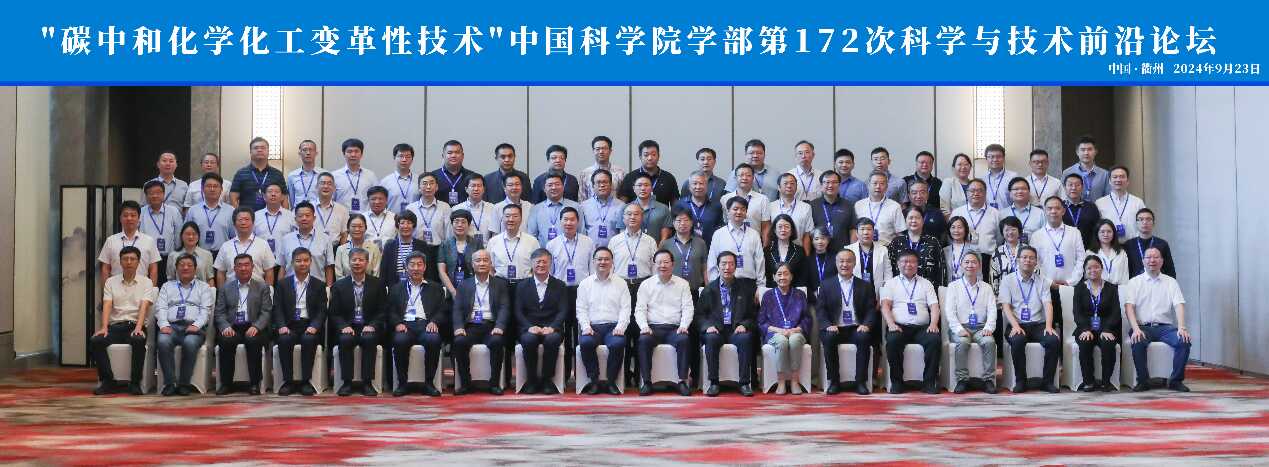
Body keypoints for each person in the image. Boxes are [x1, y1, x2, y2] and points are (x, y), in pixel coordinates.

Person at [1123, 247, 1192, 392]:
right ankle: (1143, 381)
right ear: (1143, 261)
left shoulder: (1171, 282)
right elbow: (1129, 308)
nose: (1152, 260)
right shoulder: (1134, 282)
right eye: (1148, 257)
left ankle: (1175, 381)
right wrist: (1135, 329)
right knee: (1138, 340)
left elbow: (1179, 305)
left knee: (1183, 340)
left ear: (1162, 261)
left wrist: (1182, 327)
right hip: (1143, 327)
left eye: (1156, 257)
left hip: (1165, 328)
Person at [90, 246, 155, 395]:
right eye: (125, 259)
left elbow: (144, 306)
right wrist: (104, 327)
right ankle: (108, 381)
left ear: (138, 262)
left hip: (135, 325)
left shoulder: (146, 282)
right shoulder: (110, 282)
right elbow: (107, 305)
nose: (129, 262)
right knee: (96, 341)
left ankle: (135, 382)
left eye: (132, 259)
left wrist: (138, 327)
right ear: (120, 262)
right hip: (115, 326)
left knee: (138, 340)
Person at [999, 246, 1060, 393]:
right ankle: (1021, 381)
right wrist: (1015, 326)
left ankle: (1047, 382)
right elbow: (1005, 306)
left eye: (1031, 258)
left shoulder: (1042, 281)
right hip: (1017, 324)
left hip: (1038, 325)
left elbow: (1048, 304)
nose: (1028, 260)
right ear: (1018, 260)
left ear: (1036, 262)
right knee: (1018, 340)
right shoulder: (1008, 280)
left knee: (1053, 340)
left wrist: (1049, 326)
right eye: (1024, 257)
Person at [880, 251, 942, 394]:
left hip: (922, 328)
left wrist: (933, 324)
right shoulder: (891, 283)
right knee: (893, 341)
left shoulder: (926, 283)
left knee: (934, 340)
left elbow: (934, 306)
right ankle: (897, 382)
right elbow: (885, 306)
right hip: (899, 326)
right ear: (898, 264)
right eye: (905, 261)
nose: (908, 264)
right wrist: (891, 324)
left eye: (912, 261)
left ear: (917, 264)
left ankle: (929, 382)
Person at [634, 249, 695, 396]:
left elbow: (688, 308)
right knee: (643, 340)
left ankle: (682, 381)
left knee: (684, 339)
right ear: (654, 264)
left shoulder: (682, 284)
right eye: (659, 262)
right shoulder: (646, 285)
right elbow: (640, 310)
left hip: (675, 329)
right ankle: (647, 382)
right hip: (652, 328)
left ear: (673, 264)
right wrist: (644, 326)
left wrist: (684, 326)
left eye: (666, 262)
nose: (662, 265)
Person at [451, 249, 511, 395]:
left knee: (497, 341)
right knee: (459, 342)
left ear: (491, 263)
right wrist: (458, 327)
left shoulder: (500, 284)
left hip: (491, 326)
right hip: (471, 326)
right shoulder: (464, 285)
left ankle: (494, 383)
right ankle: (465, 384)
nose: (482, 263)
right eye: (478, 260)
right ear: (472, 264)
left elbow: (504, 307)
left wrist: (500, 326)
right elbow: (457, 309)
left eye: (485, 260)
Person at [817, 249, 877, 395]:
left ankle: (860, 382)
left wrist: (866, 324)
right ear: (836, 263)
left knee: (864, 338)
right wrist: (828, 325)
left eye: (848, 261)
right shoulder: (826, 285)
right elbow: (821, 310)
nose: (845, 264)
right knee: (828, 338)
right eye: (841, 261)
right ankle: (834, 381)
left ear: (854, 263)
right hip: (834, 328)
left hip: (856, 327)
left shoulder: (865, 285)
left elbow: (871, 309)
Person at [329, 247, 387, 396]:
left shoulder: (378, 284)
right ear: (348, 262)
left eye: (361, 260)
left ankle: (367, 383)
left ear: (367, 263)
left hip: (368, 326)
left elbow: (382, 311)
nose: (357, 263)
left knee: (369, 339)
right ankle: (347, 383)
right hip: (348, 326)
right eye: (354, 260)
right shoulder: (339, 286)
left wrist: (372, 325)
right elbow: (334, 313)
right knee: (345, 339)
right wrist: (343, 326)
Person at [699, 251, 757, 397]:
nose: (727, 267)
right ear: (718, 266)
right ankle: (714, 383)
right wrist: (708, 326)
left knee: (745, 338)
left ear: (736, 267)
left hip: (736, 329)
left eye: (731, 264)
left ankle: (744, 383)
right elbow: (699, 316)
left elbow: (753, 315)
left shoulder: (745, 288)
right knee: (711, 339)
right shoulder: (709, 289)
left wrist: (744, 325)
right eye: (724, 264)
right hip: (716, 330)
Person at [388, 251, 446, 397]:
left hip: (426, 324)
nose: (416, 268)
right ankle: (402, 383)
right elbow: (390, 311)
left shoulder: (436, 288)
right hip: (405, 325)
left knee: (433, 339)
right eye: (412, 265)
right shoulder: (397, 288)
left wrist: (434, 322)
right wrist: (397, 323)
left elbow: (442, 310)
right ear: (406, 267)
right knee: (399, 340)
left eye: (419, 264)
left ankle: (429, 383)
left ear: (424, 267)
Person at [154, 253, 213, 396]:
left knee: (190, 343)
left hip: (194, 327)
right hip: (171, 327)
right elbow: (161, 308)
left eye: (189, 265)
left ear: (195, 268)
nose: (185, 268)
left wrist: (197, 325)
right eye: (181, 265)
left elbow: (206, 310)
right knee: (162, 342)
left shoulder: (204, 287)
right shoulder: (167, 286)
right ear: (176, 268)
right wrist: (164, 325)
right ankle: (170, 383)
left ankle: (184, 384)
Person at [271, 247, 327, 397]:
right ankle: (288, 381)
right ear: (292, 263)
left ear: (311, 262)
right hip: (289, 325)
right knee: (284, 340)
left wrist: (315, 326)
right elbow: (277, 308)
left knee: (309, 340)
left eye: (306, 260)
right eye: (298, 261)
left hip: (309, 325)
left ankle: (305, 382)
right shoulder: (282, 284)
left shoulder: (319, 284)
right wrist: (282, 326)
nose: (302, 264)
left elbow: (322, 310)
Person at [214, 254, 272, 395]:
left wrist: (256, 326)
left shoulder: (262, 287)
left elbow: (266, 311)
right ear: (234, 268)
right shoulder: (225, 288)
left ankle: (254, 383)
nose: (243, 268)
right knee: (226, 340)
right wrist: (225, 327)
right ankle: (226, 384)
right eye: (239, 265)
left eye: (247, 265)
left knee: (253, 340)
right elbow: (219, 312)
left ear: (252, 267)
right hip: (232, 326)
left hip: (254, 326)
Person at [576, 247, 631, 395]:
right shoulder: (585, 284)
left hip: (613, 327)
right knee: (586, 343)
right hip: (592, 327)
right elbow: (581, 309)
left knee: (618, 343)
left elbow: (626, 308)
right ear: (593, 261)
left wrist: (621, 327)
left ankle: (611, 381)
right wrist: (586, 327)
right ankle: (594, 380)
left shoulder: (621, 283)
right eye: (599, 259)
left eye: (607, 259)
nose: (603, 262)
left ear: (612, 262)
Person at [547, 206, 595, 376]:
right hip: (560, 292)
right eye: (565, 219)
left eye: (572, 219)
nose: (569, 223)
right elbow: (550, 273)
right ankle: (566, 373)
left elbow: (592, 271)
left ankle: (582, 374)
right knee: (564, 333)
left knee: (582, 331)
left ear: (578, 222)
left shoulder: (588, 242)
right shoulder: (552, 244)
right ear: (560, 222)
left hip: (582, 292)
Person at [515, 249, 569, 394]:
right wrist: (528, 327)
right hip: (529, 328)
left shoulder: (560, 285)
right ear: (532, 264)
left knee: (552, 340)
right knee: (529, 340)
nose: (541, 265)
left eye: (544, 262)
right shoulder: (522, 286)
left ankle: (547, 380)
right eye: (538, 262)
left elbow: (563, 311)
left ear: (550, 264)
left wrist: (553, 327)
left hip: (552, 328)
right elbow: (518, 311)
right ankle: (531, 380)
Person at [942, 253, 998, 394]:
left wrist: (989, 327)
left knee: (989, 342)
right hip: (960, 326)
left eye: (973, 262)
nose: (970, 265)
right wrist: (958, 329)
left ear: (979, 265)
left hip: (981, 327)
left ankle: (988, 380)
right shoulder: (953, 286)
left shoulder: (987, 287)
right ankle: (962, 380)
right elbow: (950, 311)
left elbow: (992, 310)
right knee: (962, 343)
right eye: (966, 262)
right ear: (961, 265)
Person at [1073, 255, 1122, 392]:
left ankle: (1106, 382)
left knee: (1108, 343)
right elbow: (1077, 312)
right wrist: (1085, 328)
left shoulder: (1111, 288)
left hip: (1107, 327)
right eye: (1089, 268)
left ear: (1101, 269)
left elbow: (1115, 312)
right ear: (1085, 270)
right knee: (1085, 342)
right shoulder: (1079, 288)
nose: (1093, 270)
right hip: (1085, 327)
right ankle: (1088, 381)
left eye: (1096, 267)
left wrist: (1107, 329)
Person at [1035, 197, 1087, 318]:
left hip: (1070, 287)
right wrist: (1049, 282)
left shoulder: (1075, 232)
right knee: (1049, 322)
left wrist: (1070, 282)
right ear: (1044, 211)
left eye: (1057, 208)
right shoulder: (1037, 236)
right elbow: (1035, 264)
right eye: (1050, 208)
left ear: (1063, 211)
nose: (1053, 211)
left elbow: (1081, 259)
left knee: (1070, 322)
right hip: (1046, 288)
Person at [98, 200, 161, 284]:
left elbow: (153, 269)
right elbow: (105, 268)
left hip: (142, 288)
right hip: (116, 288)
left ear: (139, 218)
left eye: (133, 215)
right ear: (120, 218)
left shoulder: (149, 241)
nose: (129, 218)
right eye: (125, 215)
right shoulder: (111, 241)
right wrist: (106, 290)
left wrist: (151, 290)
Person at [707, 196, 766, 284]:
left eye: (742, 209)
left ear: (746, 212)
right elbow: (712, 262)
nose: (739, 212)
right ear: (728, 211)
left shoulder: (754, 234)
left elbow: (759, 261)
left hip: (749, 283)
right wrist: (714, 284)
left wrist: (761, 285)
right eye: (735, 209)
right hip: (725, 283)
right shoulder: (718, 234)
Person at [213, 207, 277, 286]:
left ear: (253, 223)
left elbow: (269, 271)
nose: (243, 223)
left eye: (247, 219)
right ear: (234, 224)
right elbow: (221, 272)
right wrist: (222, 292)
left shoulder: (263, 244)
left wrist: (268, 292)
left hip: (257, 291)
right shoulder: (225, 246)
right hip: (232, 291)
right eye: (240, 220)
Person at [277, 202, 335, 285]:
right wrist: (279, 288)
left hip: (317, 287)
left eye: (307, 215)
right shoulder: (286, 239)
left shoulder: (325, 239)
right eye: (300, 216)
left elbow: (328, 267)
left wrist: (329, 288)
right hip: (291, 287)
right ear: (295, 219)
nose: (304, 218)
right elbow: (282, 267)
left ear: (314, 218)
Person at [403, 174, 451, 269]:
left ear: (436, 187)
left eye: (431, 183)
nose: (428, 187)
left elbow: (448, 233)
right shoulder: (411, 208)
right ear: (419, 188)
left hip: (438, 251)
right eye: (424, 183)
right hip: (416, 250)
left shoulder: (445, 207)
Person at [489, 204, 540, 293]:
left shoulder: (532, 241)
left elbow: (537, 266)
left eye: (515, 216)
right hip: (500, 285)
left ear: (521, 219)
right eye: (507, 216)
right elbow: (490, 267)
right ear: (502, 219)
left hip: (525, 285)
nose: (511, 219)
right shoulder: (493, 241)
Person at [889, 206, 945, 286]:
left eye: (917, 218)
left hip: (927, 289)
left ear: (923, 220)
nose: (914, 221)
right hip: (900, 288)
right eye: (910, 218)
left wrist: (940, 288)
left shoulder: (933, 242)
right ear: (905, 221)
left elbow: (941, 269)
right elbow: (890, 269)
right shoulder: (897, 242)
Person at [230, 137, 288, 212]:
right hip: (248, 217)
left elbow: (284, 199)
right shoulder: (240, 173)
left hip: (272, 217)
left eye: (263, 148)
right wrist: (240, 215)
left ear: (268, 151)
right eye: (256, 148)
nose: (259, 150)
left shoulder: (277, 174)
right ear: (250, 152)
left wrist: (284, 216)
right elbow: (233, 198)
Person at [140, 180, 182, 283]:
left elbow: (179, 235)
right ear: (146, 196)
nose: (155, 196)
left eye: (158, 192)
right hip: (148, 260)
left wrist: (177, 254)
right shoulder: (141, 212)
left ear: (163, 194)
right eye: (151, 193)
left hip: (169, 259)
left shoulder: (173, 211)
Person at [720, 164, 773, 244]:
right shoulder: (725, 199)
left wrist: (765, 247)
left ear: (753, 178)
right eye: (741, 175)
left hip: (754, 243)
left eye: (748, 175)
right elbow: (725, 222)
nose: (744, 178)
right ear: (735, 178)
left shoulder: (762, 199)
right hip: (731, 243)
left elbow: (766, 226)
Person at [185, 173, 235, 256]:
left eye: (215, 186)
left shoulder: (231, 211)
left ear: (221, 189)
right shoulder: (193, 210)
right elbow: (187, 234)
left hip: (223, 254)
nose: (212, 189)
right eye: (208, 186)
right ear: (202, 189)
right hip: (198, 254)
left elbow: (234, 236)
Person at [437, 210, 484, 297]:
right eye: (456, 221)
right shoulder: (445, 244)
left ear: (469, 225)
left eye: (463, 222)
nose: (459, 225)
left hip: (473, 290)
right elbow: (442, 271)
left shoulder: (477, 244)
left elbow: (482, 268)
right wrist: (453, 292)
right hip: (450, 290)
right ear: (452, 224)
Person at [809, 170, 858, 253]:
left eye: (834, 182)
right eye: (827, 182)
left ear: (839, 185)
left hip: (842, 253)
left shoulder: (848, 205)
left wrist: (852, 251)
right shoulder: (812, 205)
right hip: (818, 253)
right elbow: (808, 233)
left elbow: (852, 230)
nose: (830, 185)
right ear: (821, 185)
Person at [526, 173, 581, 246]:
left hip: (569, 251)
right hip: (544, 251)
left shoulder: (575, 207)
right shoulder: (536, 209)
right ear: (544, 189)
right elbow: (532, 235)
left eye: (557, 184)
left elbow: (581, 232)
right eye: (550, 185)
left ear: (563, 187)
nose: (554, 187)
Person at [661, 209, 708, 293]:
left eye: (686, 220)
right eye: (679, 220)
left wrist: (708, 289)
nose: (682, 223)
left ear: (691, 223)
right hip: (671, 290)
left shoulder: (700, 243)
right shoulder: (666, 244)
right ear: (673, 223)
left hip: (695, 290)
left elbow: (705, 268)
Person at [618, 139, 678, 205]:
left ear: (658, 156)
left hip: (661, 212)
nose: (650, 158)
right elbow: (622, 204)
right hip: (635, 211)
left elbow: (675, 204)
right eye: (646, 155)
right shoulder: (630, 177)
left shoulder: (669, 178)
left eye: (653, 154)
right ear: (640, 157)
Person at [1095, 166, 1147, 241]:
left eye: (1122, 177)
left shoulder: (1138, 202)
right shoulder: (1099, 203)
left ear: (1128, 181)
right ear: (1109, 181)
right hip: (1109, 245)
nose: (1118, 180)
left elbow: (1144, 224)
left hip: (1133, 244)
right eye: (1115, 177)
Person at [951, 179, 1002, 255]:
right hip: (963, 257)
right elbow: (951, 236)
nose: (976, 193)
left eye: (980, 190)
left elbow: (999, 238)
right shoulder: (957, 212)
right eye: (972, 191)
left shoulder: (995, 213)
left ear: (985, 193)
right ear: (966, 193)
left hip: (989, 257)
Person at [379, 211, 428, 291]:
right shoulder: (389, 246)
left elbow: (427, 271)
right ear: (397, 225)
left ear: (413, 225)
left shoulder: (422, 246)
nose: (405, 226)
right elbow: (383, 273)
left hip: (417, 289)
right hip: (394, 290)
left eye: (409, 223)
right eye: (402, 223)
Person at [674, 170, 725, 246]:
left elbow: (721, 229)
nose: (698, 187)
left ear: (706, 186)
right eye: (695, 183)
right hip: (685, 248)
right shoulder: (680, 205)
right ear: (689, 186)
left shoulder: (716, 206)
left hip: (711, 247)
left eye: (701, 183)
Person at [854, 171, 905, 245]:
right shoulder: (858, 205)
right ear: (868, 185)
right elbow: (854, 231)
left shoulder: (895, 206)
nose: (878, 186)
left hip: (886, 248)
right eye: (875, 183)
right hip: (863, 248)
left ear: (886, 187)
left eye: (882, 183)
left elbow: (900, 233)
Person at [1124, 208, 1177, 279]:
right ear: (1136, 223)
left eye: (1148, 219)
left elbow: (1170, 271)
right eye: (1141, 219)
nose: (1144, 222)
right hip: (1135, 284)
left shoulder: (1162, 244)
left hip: (1158, 282)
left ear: (1153, 223)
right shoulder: (1128, 245)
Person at [580, 168, 625, 249]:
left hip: (614, 251)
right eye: (598, 182)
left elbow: (623, 234)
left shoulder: (621, 206)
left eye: (605, 182)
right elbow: (581, 233)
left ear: (611, 185)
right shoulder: (584, 207)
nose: (602, 185)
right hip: (590, 251)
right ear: (593, 186)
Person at [331, 138, 377, 213]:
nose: (353, 154)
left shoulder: (371, 176)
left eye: (356, 151)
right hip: (342, 217)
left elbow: (376, 198)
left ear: (361, 154)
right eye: (349, 151)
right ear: (344, 154)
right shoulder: (334, 176)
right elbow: (330, 200)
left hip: (364, 217)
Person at [252, 182, 296, 261]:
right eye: (270, 191)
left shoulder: (291, 216)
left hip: (284, 260)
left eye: (277, 192)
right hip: (261, 260)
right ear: (264, 196)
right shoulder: (255, 216)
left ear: (282, 197)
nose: (273, 194)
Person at [772, 173, 814, 252]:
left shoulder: (806, 207)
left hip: (798, 252)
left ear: (796, 187)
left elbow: (807, 235)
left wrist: (807, 256)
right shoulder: (770, 207)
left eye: (792, 183)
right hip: (775, 252)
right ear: (779, 187)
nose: (789, 186)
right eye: (785, 183)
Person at [1062, 135, 1111, 202]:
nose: (1086, 153)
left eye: (1089, 149)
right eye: (1083, 150)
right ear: (1077, 152)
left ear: (1095, 152)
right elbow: (1063, 197)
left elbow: (1108, 197)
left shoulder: (1105, 174)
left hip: (1098, 208)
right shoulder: (1067, 172)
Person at [846, 219, 893, 286]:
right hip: (855, 289)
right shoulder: (848, 250)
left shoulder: (883, 250)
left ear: (874, 232)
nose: (866, 232)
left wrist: (886, 290)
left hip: (877, 290)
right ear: (856, 233)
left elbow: (888, 274)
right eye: (862, 229)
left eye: (869, 229)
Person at [334, 214, 382, 280]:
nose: (357, 229)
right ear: (348, 228)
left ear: (365, 228)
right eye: (353, 226)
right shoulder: (341, 249)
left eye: (360, 226)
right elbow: (339, 275)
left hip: (370, 285)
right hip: (345, 286)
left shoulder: (374, 248)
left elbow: (376, 274)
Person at [432, 140, 481, 205]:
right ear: (443, 156)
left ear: (462, 156)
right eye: (449, 153)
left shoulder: (471, 176)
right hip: (440, 211)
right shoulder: (434, 176)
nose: (453, 155)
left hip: (465, 211)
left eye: (457, 152)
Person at [579, 136, 627, 203]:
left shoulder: (620, 172)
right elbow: (582, 199)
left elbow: (624, 197)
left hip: (615, 208)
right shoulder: (585, 173)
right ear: (593, 151)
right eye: (597, 149)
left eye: (604, 148)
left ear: (610, 151)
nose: (601, 151)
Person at [628, 174, 673, 242]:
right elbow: (622, 234)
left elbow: (665, 237)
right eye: (639, 185)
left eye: (646, 185)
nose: (643, 188)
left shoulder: (663, 208)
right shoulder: (626, 208)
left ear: (652, 188)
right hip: (632, 248)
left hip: (657, 247)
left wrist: (658, 248)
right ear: (634, 188)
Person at [1062, 173, 1103, 249]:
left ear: (1082, 187)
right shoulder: (1059, 207)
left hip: (1087, 249)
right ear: (1064, 187)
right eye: (1070, 185)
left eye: (1077, 185)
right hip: (1064, 249)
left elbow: (1097, 229)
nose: (1073, 188)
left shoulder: (1091, 207)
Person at [764, 215, 806, 288]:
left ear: (792, 230)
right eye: (780, 227)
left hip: (794, 291)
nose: (783, 229)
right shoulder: (767, 251)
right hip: (772, 291)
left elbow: (802, 276)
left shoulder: (799, 251)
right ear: (774, 230)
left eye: (787, 227)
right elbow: (766, 275)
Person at [453, 174, 498, 244]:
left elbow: (495, 233)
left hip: (487, 248)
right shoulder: (457, 209)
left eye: (479, 186)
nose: (476, 189)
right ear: (466, 189)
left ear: (483, 189)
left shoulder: (492, 208)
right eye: (473, 186)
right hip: (464, 248)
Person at [990, 217, 1027, 294]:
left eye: (1013, 229)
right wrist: (996, 297)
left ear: (1019, 231)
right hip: (1004, 295)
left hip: (1026, 293)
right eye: (1007, 230)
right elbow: (993, 278)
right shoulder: (997, 253)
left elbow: (1036, 273)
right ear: (1002, 232)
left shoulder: (1028, 250)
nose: (1010, 232)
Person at [379, 143, 418, 213]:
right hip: (391, 219)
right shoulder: (385, 182)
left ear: (412, 159)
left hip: (415, 219)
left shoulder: (419, 180)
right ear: (394, 158)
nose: (404, 160)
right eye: (401, 156)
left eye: (408, 157)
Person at [491, 171, 534, 236]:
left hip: (525, 241)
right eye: (510, 185)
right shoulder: (497, 207)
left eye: (517, 184)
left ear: (522, 187)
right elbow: (495, 233)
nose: (514, 187)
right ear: (504, 188)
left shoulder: (529, 206)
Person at [314, 172, 351, 245]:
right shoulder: (309, 208)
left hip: (335, 248)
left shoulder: (342, 210)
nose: (326, 186)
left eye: (329, 184)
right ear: (316, 187)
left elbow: (344, 235)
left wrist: (341, 251)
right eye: (322, 183)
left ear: (334, 188)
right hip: (312, 248)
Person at [286, 140, 325, 207]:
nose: (308, 153)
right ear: (299, 153)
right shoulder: (292, 176)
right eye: (304, 150)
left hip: (318, 211)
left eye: (311, 150)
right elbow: (292, 199)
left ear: (316, 153)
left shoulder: (324, 175)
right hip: (298, 212)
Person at [1089, 220, 1129, 285]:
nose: (1106, 234)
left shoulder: (1121, 252)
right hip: (1097, 288)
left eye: (1109, 231)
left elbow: (1125, 277)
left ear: (1114, 234)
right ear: (1097, 233)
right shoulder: (1090, 253)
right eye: (1102, 232)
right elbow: (1088, 276)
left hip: (1118, 288)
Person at [1005, 177, 1045, 242]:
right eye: (1016, 189)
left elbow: (1045, 236)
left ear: (1029, 192)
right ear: (1010, 193)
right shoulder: (1002, 214)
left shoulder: (1040, 213)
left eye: (1023, 189)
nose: (1020, 191)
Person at [944, 216, 981, 284]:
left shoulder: (974, 249)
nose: (956, 230)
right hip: (949, 287)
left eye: (959, 227)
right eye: (953, 227)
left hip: (968, 286)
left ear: (965, 229)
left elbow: (979, 274)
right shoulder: (944, 251)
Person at [982, 144, 1017, 210]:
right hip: (987, 214)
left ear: (1003, 158)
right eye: (991, 157)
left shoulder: (1013, 177)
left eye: (998, 156)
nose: (995, 159)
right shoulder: (982, 178)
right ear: (986, 159)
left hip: (1008, 214)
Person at [939, 153, 975, 217]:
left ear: (970, 167)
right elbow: (944, 209)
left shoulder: (974, 184)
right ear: (953, 168)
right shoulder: (948, 182)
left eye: (966, 164)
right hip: (955, 221)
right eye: (959, 164)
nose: (963, 167)